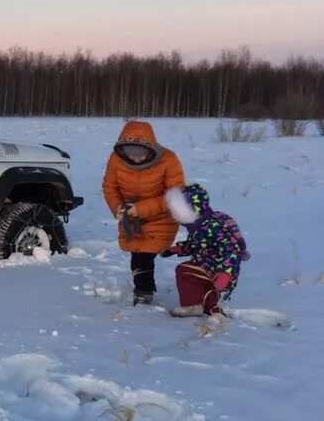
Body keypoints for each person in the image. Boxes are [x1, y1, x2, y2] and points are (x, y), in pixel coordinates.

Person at [102, 120, 185, 305]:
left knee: (144, 254)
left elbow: (175, 195)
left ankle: (143, 293)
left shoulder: (168, 159)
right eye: (131, 155)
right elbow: (110, 187)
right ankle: (146, 287)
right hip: (131, 218)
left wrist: (140, 209)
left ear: (150, 148)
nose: (136, 159)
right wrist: (117, 208)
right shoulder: (116, 159)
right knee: (138, 252)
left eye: (141, 155)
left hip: (161, 217)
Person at [162, 183, 249, 317]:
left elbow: (231, 249)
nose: (175, 216)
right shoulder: (200, 223)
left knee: (185, 271)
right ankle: (209, 305)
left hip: (220, 268)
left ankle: (192, 306)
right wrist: (177, 249)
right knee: (199, 280)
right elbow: (197, 244)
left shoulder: (213, 226)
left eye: (177, 212)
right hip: (209, 263)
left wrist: (225, 273)